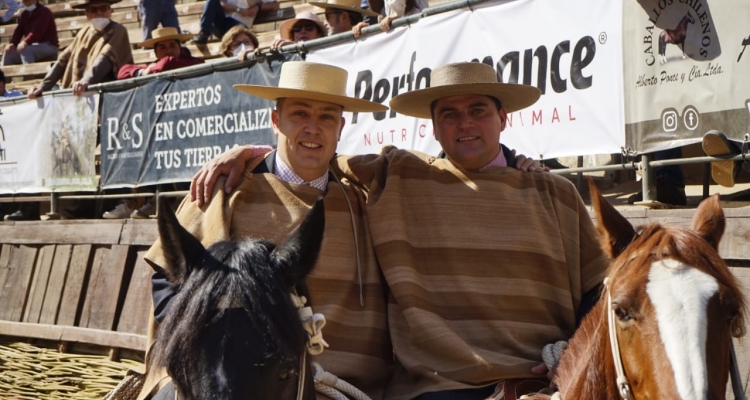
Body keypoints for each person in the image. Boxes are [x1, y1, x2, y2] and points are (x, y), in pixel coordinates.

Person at [193, 62, 608, 400]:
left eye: (478, 110)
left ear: (503, 117)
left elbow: (598, 289)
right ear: (433, 126)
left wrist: (573, 350)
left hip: (552, 378)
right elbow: (310, 159)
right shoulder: (398, 176)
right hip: (440, 387)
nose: (464, 123)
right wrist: (250, 153)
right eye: (449, 113)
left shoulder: (556, 192)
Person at [136, 61, 394, 400]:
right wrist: (204, 332)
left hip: (346, 383)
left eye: (327, 117)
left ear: (341, 127)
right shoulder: (225, 190)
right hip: (225, 378)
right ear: (276, 121)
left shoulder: (361, 197)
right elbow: (166, 277)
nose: (313, 129)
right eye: (300, 114)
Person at [27, 0, 132, 99]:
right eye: (93, 10)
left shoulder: (118, 30)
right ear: (87, 14)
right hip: (80, 92)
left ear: (110, 11)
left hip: (107, 93)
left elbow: (105, 58)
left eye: (103, 8)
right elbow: (63, 60)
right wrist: (43, 86)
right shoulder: (83, 32)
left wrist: (86, 80)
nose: (99, 12)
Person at [117, 27, 203, 79]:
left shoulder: (194, 62)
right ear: (155, 52)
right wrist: (142, 72)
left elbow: (168, 62)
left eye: (172, 45)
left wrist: (150, 71)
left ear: (180, 48)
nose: (168, 51)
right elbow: (123, 71)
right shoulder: (154, 66)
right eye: (162, 47)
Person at [191, 0, 278, 45]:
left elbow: (275, 5)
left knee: (238, 29)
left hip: (239, 26)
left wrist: (258, 7)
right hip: (223, 23)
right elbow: (222, 3)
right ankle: (204, 33)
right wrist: (239, 10)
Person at [2, 0, 58, 66]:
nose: (28, 3)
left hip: (49, 46)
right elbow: (19, 30)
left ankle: (29, 75)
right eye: (25, 1)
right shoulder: (25, 14)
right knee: (8, 53)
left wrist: (25, 42)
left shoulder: (44, 12)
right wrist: (12, 43)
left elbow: (37, 32)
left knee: (26, 50)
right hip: (31, 46)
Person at [308, 0, 378, 36]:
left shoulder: (369, 40)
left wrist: (367, 35)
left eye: (327, 16)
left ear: (344, 17)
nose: (324, 22)